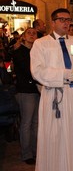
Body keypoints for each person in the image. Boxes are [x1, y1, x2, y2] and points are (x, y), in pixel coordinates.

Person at [30, 8, 73, 171]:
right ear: (53, 22)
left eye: (68, 19)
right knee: (54, 136)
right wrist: (63, 74)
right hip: (54, 95)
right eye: (62, 19)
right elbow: (37, 71)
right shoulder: (41, 43)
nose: (66, 23)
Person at [12, 28, 40, 165]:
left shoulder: (37, 51)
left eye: (34, 33)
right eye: (29, 33)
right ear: (23, 37)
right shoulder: (19, 52)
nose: (32, 35)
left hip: (37, 90)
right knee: (27, 123)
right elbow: (28, 70)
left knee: (36, 123)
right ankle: (26, 153)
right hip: (25, 90)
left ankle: (36, 151)